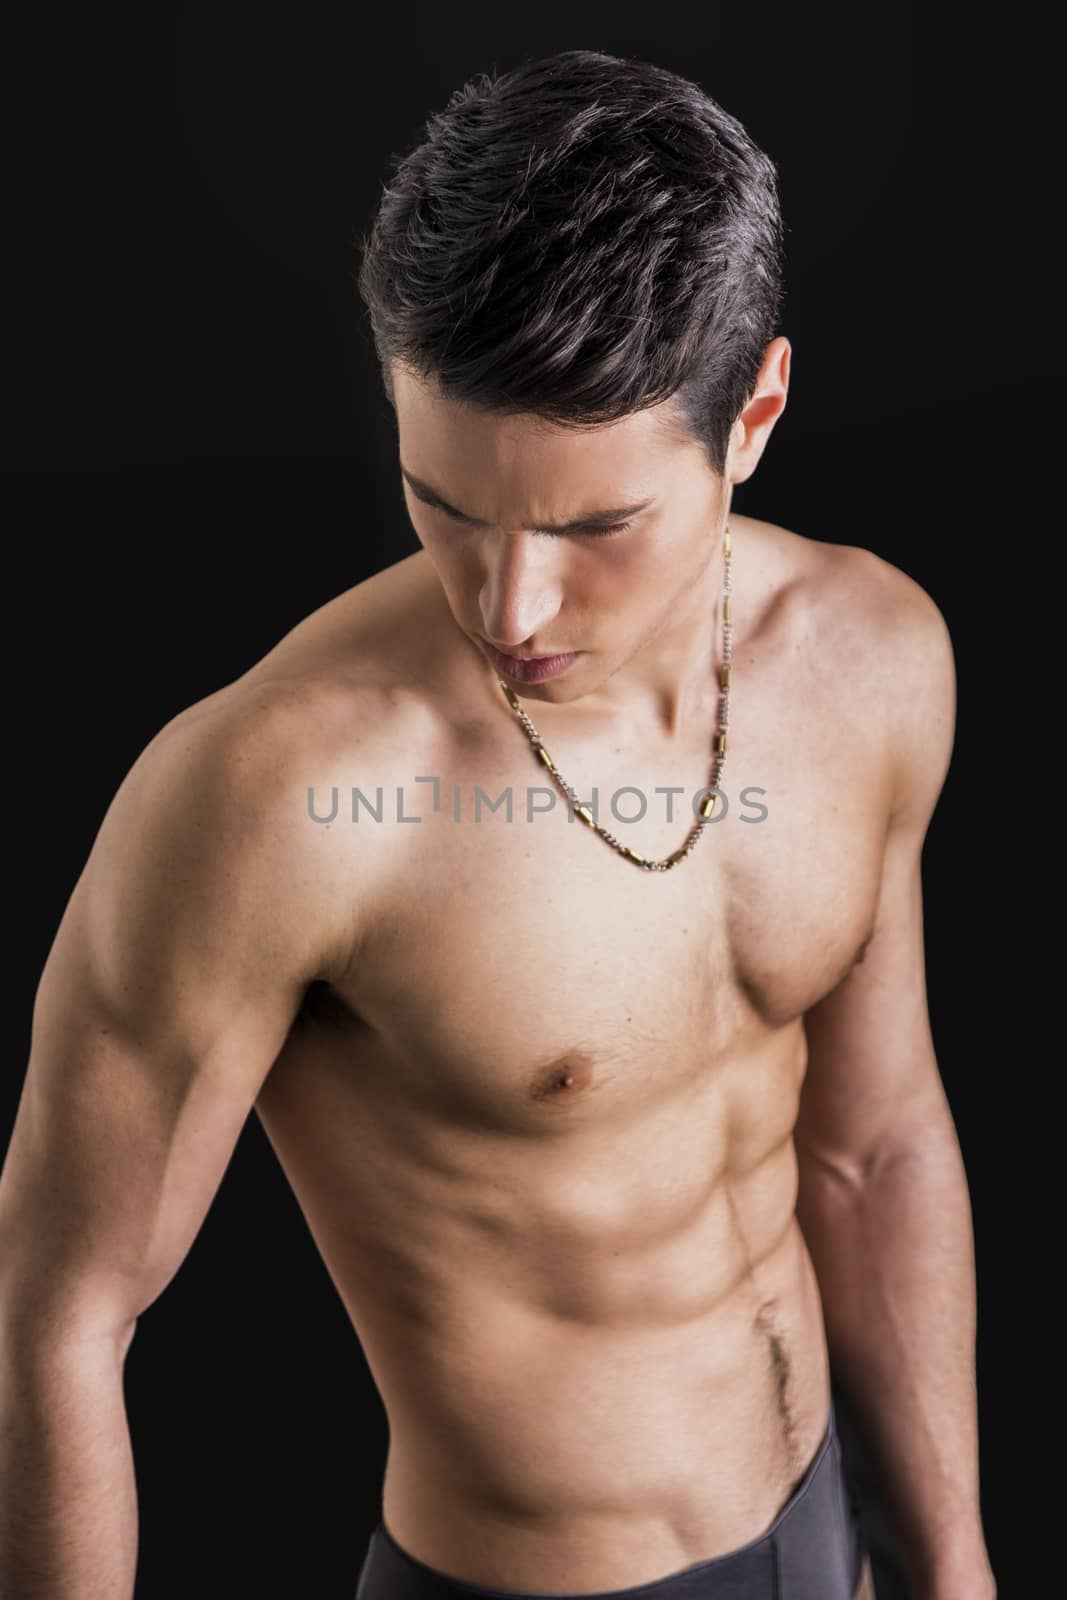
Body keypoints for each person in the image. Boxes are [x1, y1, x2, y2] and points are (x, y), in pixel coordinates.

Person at [0, 48, 995, 1600]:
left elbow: (873, 1147)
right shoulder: (271, 797)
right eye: (447, 504)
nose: (512, 605)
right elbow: (62, 1311)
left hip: (836, 1537)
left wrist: (951, 1562)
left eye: (595, 526)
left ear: (756, 417)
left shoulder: (873, 659)